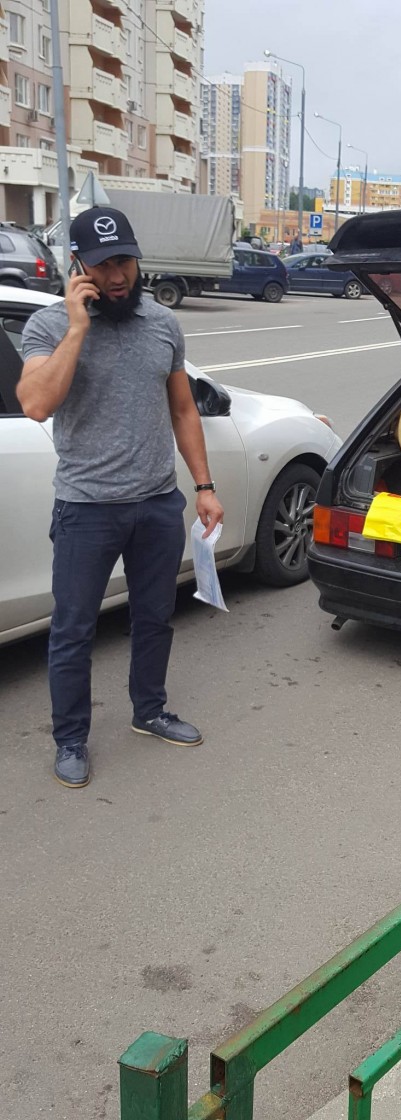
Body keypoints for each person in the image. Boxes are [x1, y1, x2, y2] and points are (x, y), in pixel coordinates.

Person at [18, 206, 224, 789]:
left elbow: (183, 409)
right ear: (78, 266)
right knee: (74, 630)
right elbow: (36, 403)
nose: (117, 276)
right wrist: (78, 328)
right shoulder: (50, 327)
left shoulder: (162, 323)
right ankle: (70, 739)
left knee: (155, 618)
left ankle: (149, 710)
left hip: (158, 503)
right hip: (86, 508)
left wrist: (204, 487)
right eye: (104, 264)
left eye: (125, 261)